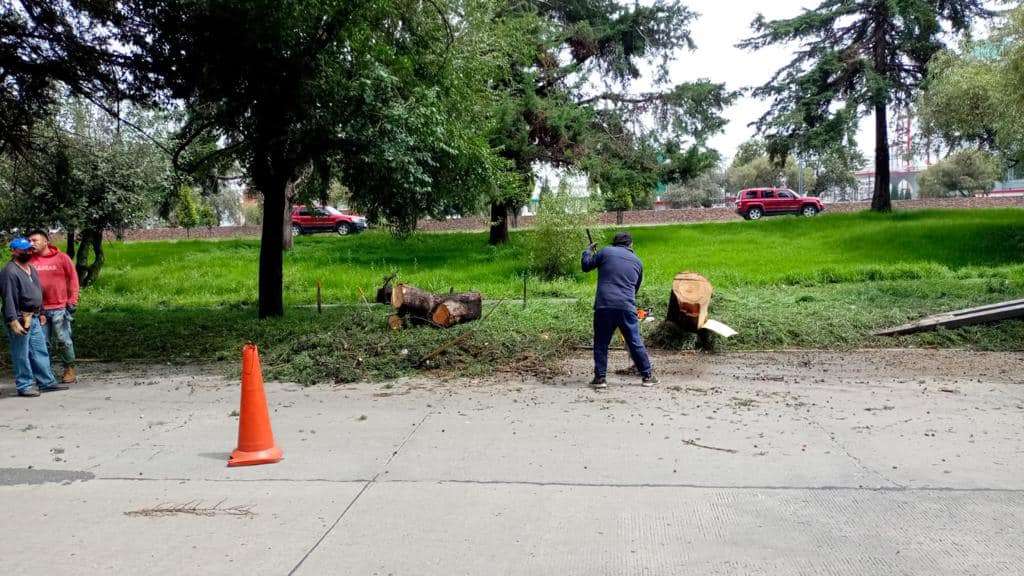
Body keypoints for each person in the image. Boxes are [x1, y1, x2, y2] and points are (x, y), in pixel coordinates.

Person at [581, 231, 657, 389]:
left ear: (615, 243)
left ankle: (600, 379)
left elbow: (586, 266)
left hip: (605, 305)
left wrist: (588, 251)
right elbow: (635, 288)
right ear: (631, 244)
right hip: (627, 306)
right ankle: (647, 376)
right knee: (635, 341)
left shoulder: (605, 252)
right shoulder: (637, 262)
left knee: (601, 343)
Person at [1, 237, 65, 397]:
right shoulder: (10, 271)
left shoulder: (31, 268)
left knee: (39, 349)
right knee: (21, 352)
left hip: (34, 316)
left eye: (30, 249)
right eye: (24, 250)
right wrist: (12, 320)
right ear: (14, 251)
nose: (28, 252)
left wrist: (41, 311)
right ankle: (24, 385)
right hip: (20, 317)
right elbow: (8, 297)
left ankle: (46, 382)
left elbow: (37, 292)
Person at [28, 229, 80, 384]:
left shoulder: (62, 258)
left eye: (35, 240)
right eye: (29, 241)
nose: (32, 243)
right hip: (38, 310)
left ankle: (69, 369)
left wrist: (73, 300)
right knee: (41, 343)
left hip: (59, 307)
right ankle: (45, 373)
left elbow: (73, 279)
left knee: (64, 340)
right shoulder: (28, 260)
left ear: (45, 241)